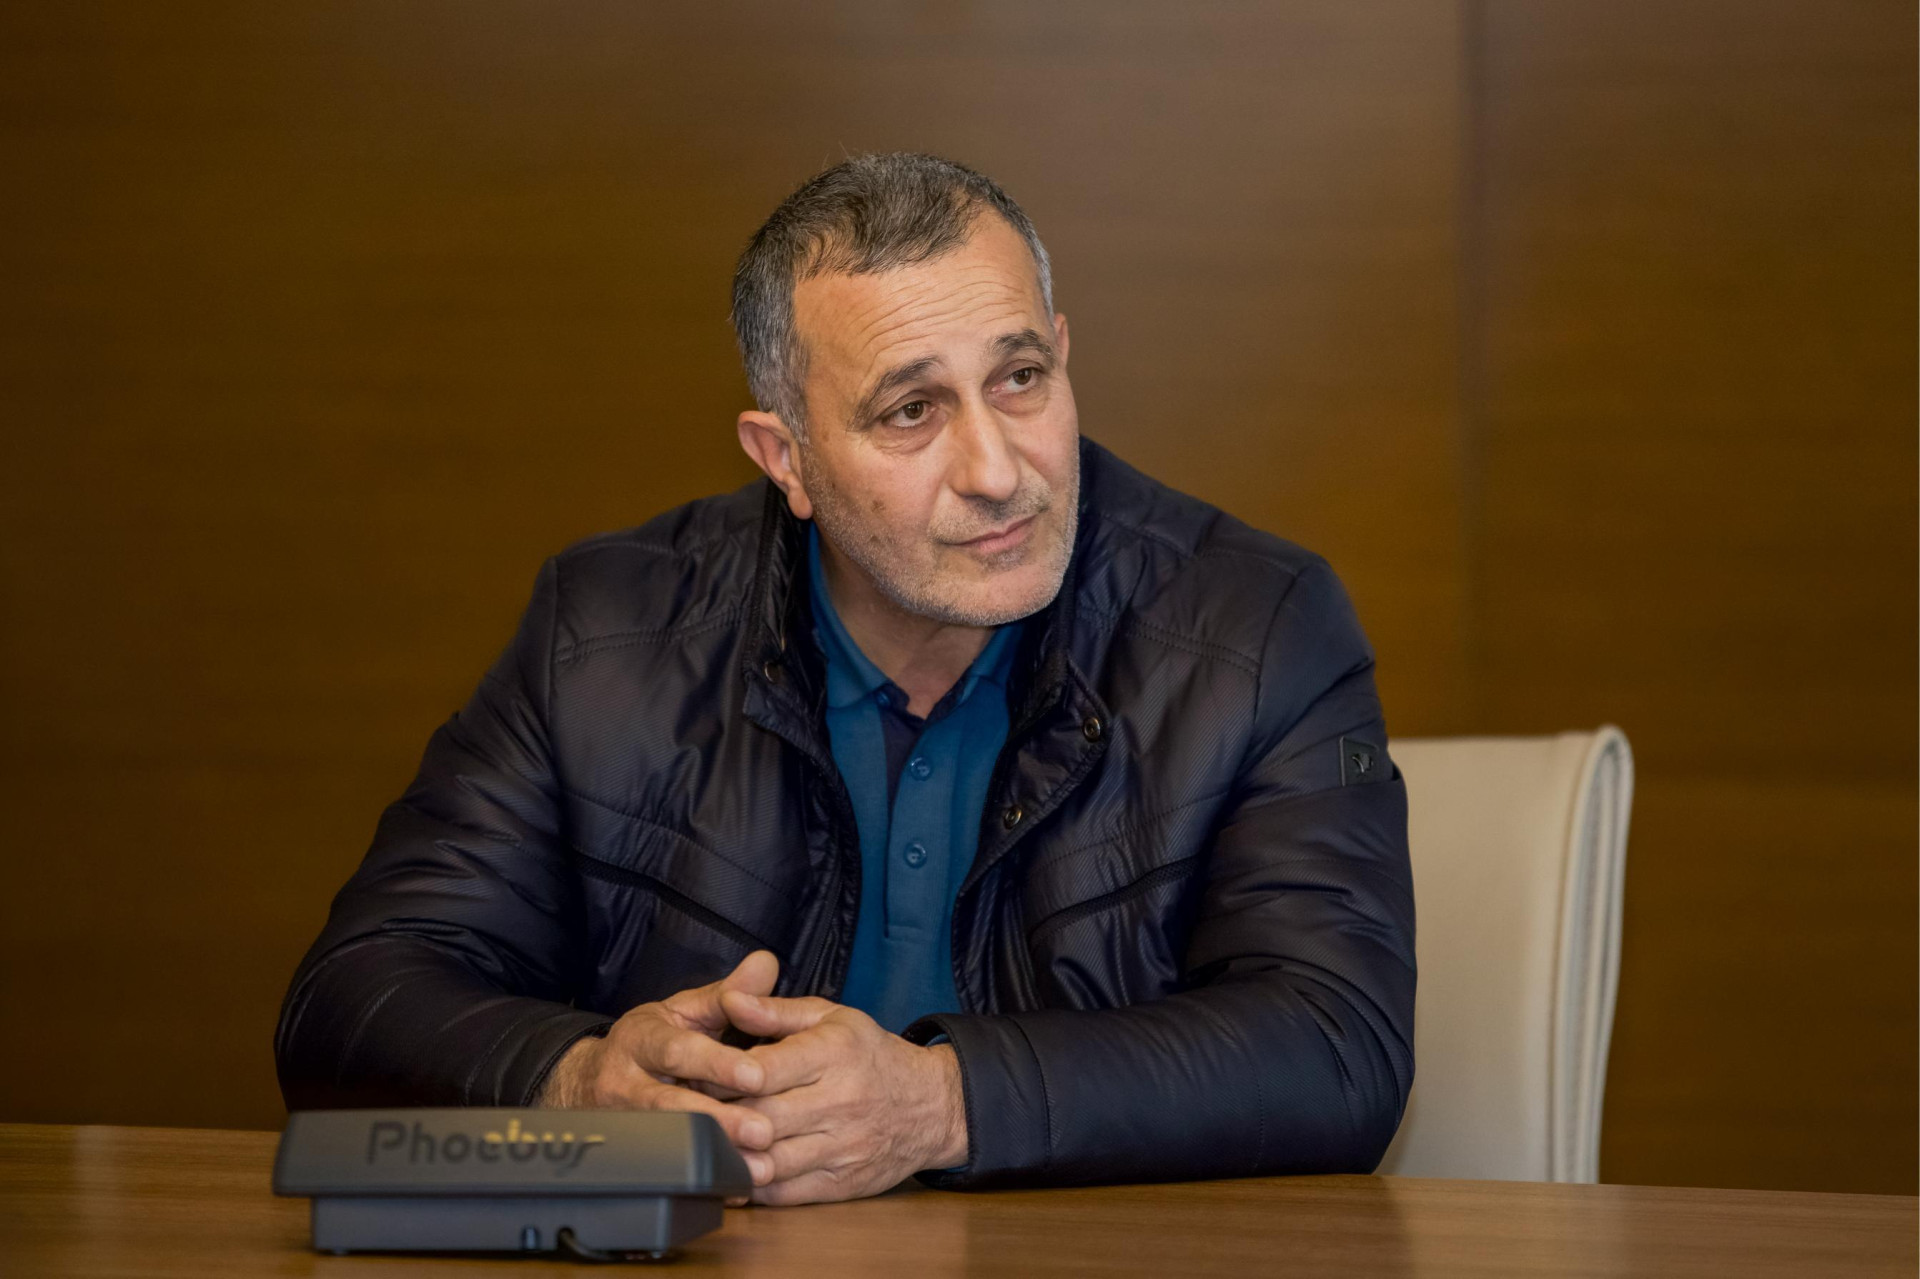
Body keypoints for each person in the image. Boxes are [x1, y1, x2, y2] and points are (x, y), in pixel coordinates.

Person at [276, 152, 1416, 1206]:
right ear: (787, 458)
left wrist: (941, 1104)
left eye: (1020, 378)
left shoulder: (1256, 626)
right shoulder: (606, 636)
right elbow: (353, 995)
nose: (996, 469)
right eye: (912, 410)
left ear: (1064, 356)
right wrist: (575, 1081)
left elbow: (1337, 1045)